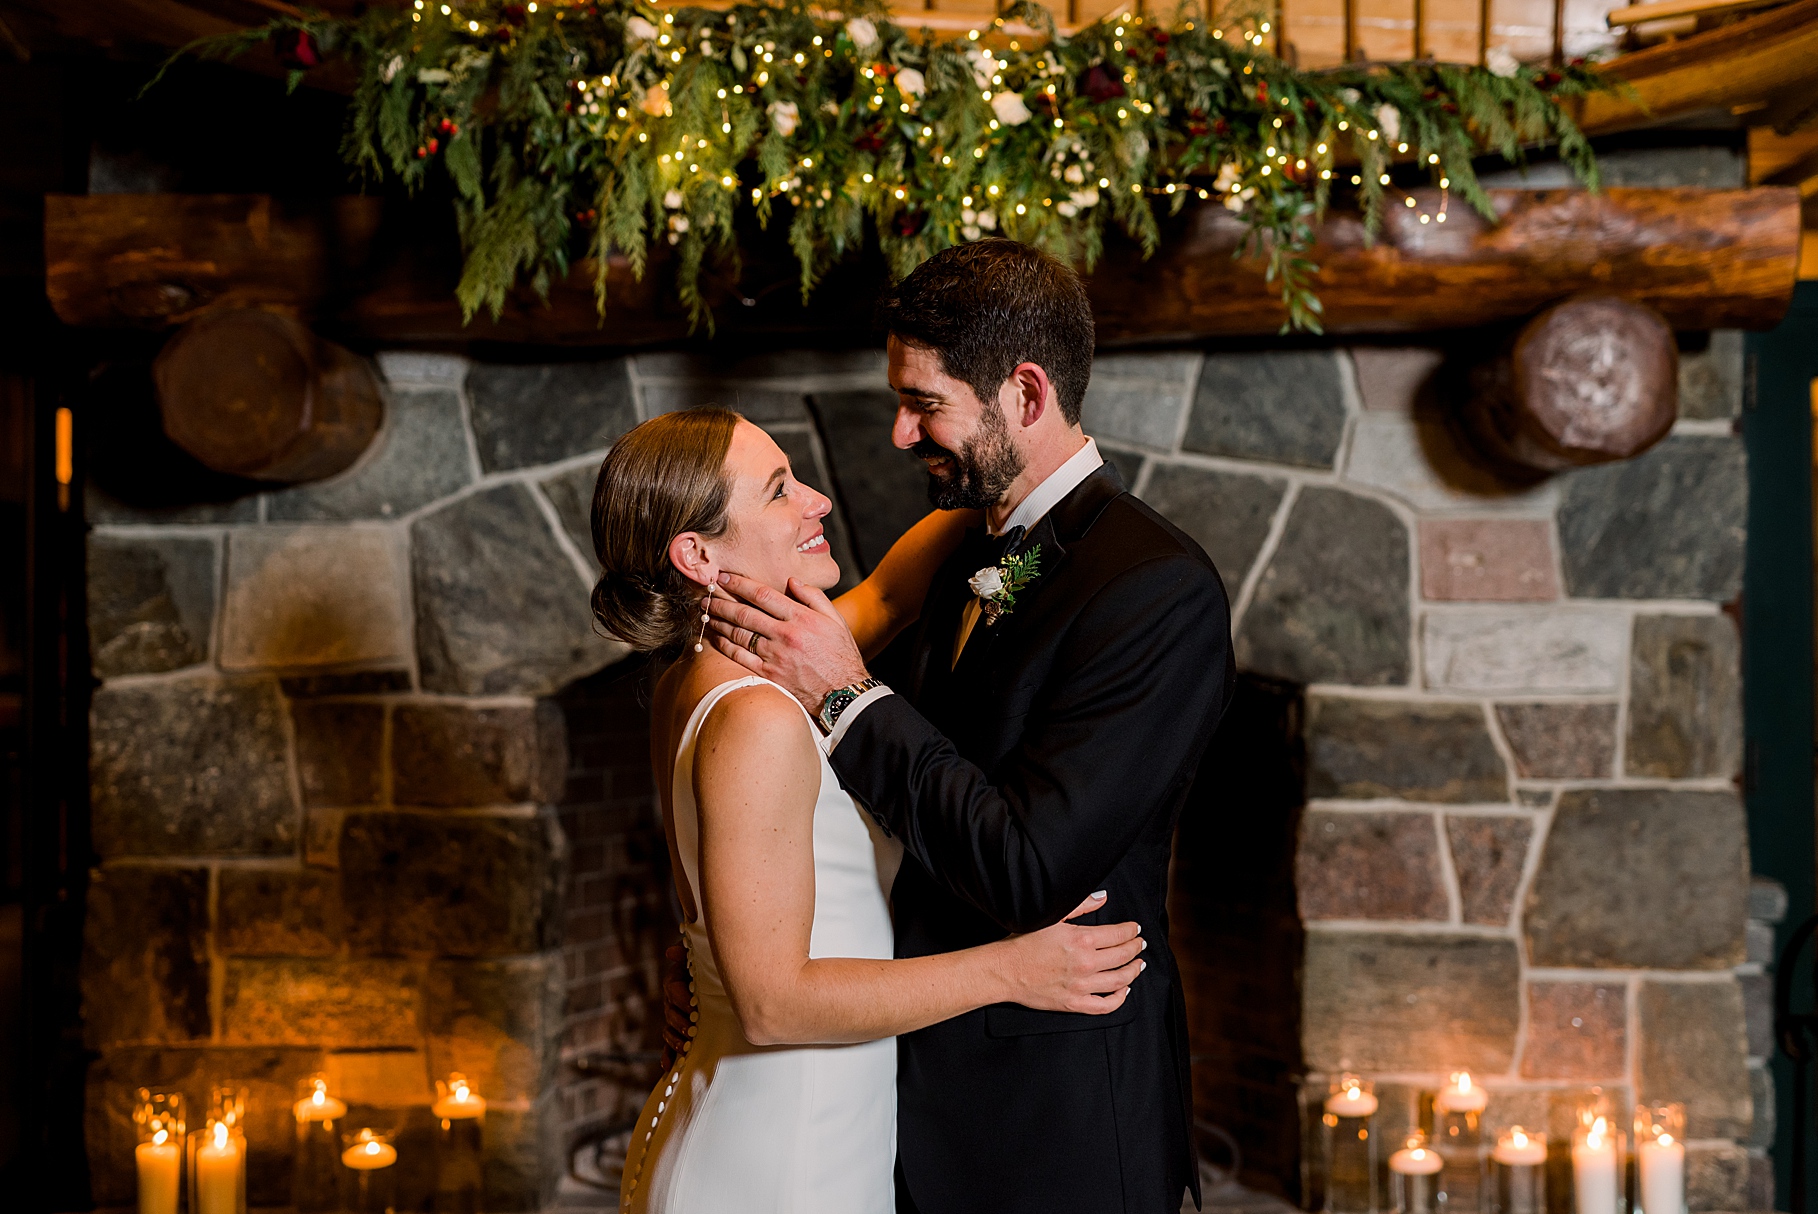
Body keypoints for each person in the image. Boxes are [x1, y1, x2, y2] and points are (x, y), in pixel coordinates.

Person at [703, 238, 1237, 1214]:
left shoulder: (1157, 587)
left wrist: (843, 694)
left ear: (1025, 395)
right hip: (909, 1081)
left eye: (926, 403)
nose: (902, 435)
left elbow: (1031, 866)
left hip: (1054, 1112)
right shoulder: (962, 544)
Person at [588, 406, 1149, 1214]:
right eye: (781, 490)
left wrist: (1020, 474)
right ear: (698, 554)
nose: (816, 501)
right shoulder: (758, 716)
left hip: (779, 1122)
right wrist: (1015, 970)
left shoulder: (702, 671)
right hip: (783, 1156)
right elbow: (772, 1004)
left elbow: (888, 595)